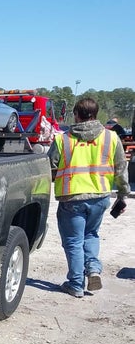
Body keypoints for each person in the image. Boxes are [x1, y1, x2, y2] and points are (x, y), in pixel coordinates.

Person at [48, 98, 130, 298]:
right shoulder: (111, 138)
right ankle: (93, 269)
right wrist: (122, 194)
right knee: (91, 235)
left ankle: (76, 284)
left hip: (72, 198)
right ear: (95, 114)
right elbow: (121, 168)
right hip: (100, 197)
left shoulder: (63, 139)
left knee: (74, 241)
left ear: (76, 115)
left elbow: (50, 167)